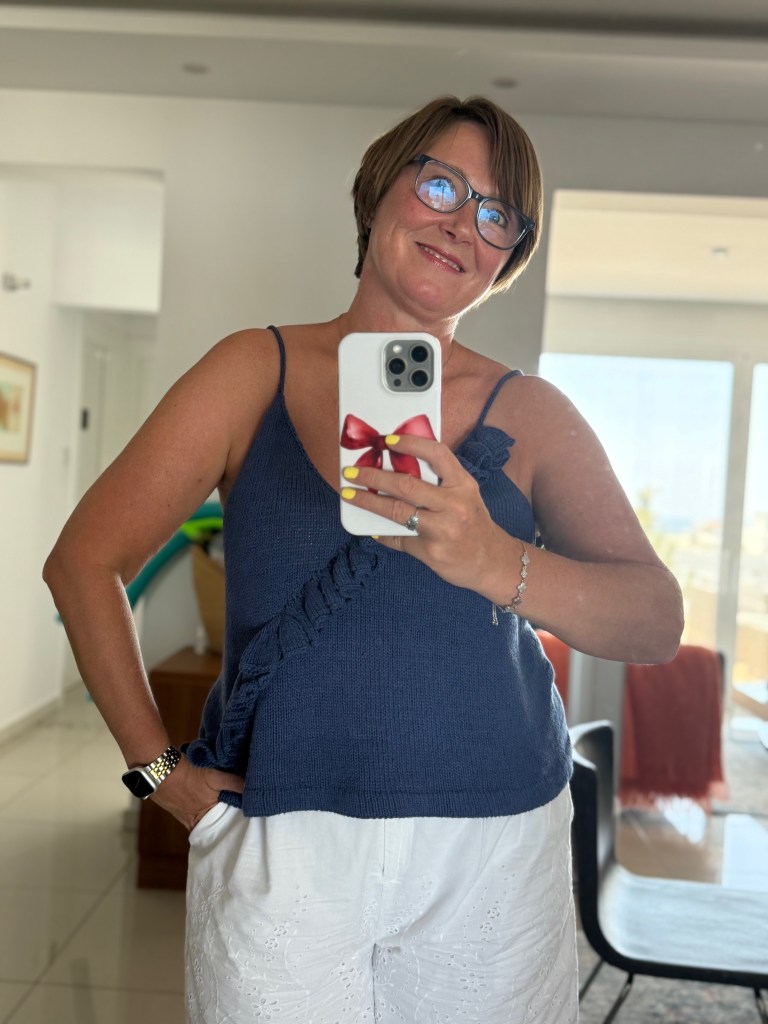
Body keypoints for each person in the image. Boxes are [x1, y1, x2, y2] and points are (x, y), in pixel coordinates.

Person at [44, 95, 683, 1023]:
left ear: (507, 259)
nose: (462, 224)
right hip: (280, 837)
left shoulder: (533, 413)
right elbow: (83, 562)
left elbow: (654, 620)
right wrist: (161, 776)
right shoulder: (251, 371)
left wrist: (494, 559)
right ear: (380, 187)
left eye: (497, 215)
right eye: (442, 186)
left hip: (495, 846)